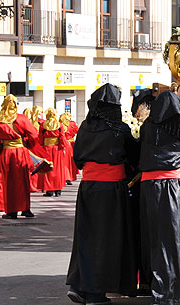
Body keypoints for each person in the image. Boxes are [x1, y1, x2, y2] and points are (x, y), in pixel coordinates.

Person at [66, 84, 140, 305]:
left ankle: (79, 286)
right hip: (111, 190)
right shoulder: (120, 129)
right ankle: (96, 293)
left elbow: (77, 157)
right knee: (106, 241)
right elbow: (134, 158)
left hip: (88, 188)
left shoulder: (84, 128)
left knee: (86, 238)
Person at [138, 91, 180, 305]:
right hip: (173, 187)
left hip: (149, 186)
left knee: (154, 237)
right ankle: (175, 290)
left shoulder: (146, 128)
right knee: (176, 238)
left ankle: (157, 288)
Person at [0, 95, 48, 219]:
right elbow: (33, 134)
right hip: (21, 152)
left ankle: (11, 212)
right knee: (23, 181)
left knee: (9, 183)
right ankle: (26, 209)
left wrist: (0, 148)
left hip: (6, 154)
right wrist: (27, 143)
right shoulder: (22, 119)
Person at [39, 108, 68, 197]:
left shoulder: (43, 125)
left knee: (48, 169)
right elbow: (62, 137)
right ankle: (58, 189)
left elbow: (40, 139)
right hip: (57, 149)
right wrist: (63, 147)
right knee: (58, 169)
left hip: (46, 148)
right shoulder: (59, 125)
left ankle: (49, 190)